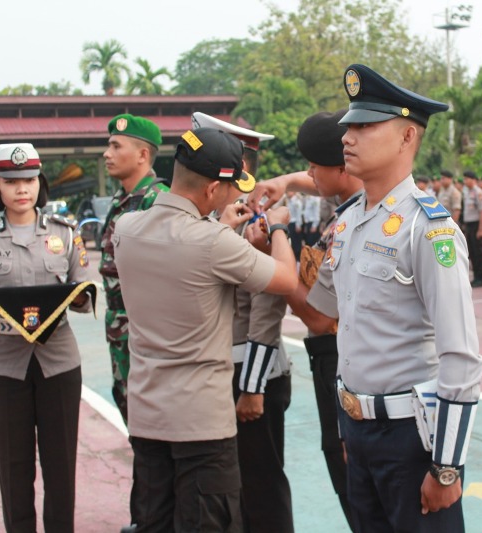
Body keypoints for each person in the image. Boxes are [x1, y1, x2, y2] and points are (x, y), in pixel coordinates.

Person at [113, 127, 298, 532]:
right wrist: (281, 227)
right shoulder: (214, 242)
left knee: (152, 521)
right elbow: (286, 279)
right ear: (214, 189)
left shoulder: (125, 228)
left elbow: (185, 258)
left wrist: (222, 228)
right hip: (201, 424)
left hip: (147, 415)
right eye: (231, 189)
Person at [332, 63, 482, 532]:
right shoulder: (347, 221)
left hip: (410, 440)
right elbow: (351, 330)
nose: (348, 137)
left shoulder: (428, 228)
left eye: (366, 126)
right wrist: (347, 426)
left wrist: (447, 465)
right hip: (359, 434)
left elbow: (460, 355)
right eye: (349, 126)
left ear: (406, 138)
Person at [0, 143, 93, 533]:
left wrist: (78, 295)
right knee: (13, 469)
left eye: (29, 179)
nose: (21, 189)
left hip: (59, 362)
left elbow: (83, 292)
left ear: (40, 183)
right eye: (11, 181)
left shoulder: (64, 235)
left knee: (61, 464)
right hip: (3, 365)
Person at [248, 109, 364, 530]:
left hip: (339, 357)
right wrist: (284, 182)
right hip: (338, 358)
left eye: (314, 165)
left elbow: (316, 317)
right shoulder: (359, 199)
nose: (308, 174)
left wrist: (276, 246)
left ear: (343, 167)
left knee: (351, 477)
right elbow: (318, 179)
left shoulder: (354, 221)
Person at [192, 111, 295, 533]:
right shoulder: (217, 219)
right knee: (227, 489)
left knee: (261, 487)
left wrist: (252, 386)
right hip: (223, 370)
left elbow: (267, 307)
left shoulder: (254, 219)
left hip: (253, 373)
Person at [99, 113, 168, 425]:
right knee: (130, 409)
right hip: (120, 330)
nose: (106, 153)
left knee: (154, 422)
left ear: (143, 154)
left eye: (116, 146)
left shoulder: (158, 201)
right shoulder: (121, 200)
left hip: (147, 335)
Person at [461, 170, 482, 287]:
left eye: (467, 179)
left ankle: (481, 278)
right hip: (469, 225)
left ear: (473, 180)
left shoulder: (478, 192)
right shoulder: (467, 192)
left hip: (477, 224)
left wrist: (481, 229)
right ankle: (476, 276)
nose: (465, 181)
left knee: (479, 252)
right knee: (472, 252)